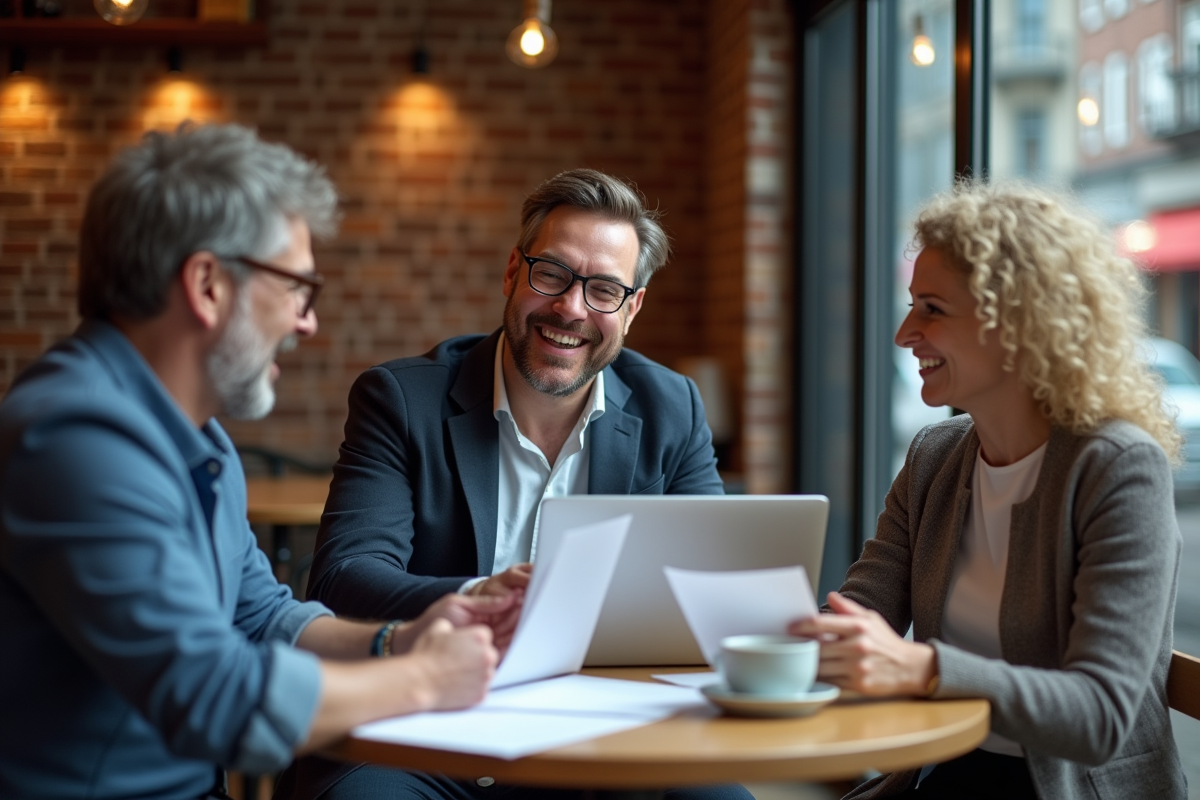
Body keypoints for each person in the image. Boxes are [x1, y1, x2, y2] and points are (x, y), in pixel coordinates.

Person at [0, 123, 519, 800]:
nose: (307, 322)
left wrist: (403, 640)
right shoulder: (73, 438)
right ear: (208, 284)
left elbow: (263, 617)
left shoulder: (198, 437)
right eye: (297, 287)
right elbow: (212, 697)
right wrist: (424, 680)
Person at [281, 169, 736, 799]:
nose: (571, 308)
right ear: (512, 274)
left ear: (631, 310)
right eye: (551, 274)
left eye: (604, 290)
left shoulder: (673, 407)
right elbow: (345, 576)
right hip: (421, 722)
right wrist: (482, 598)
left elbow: (711, 586)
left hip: (601, 726)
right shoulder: (400, 400)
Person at [790, 181, 1188, 799]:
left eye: (931, 308)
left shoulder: (1118, 467)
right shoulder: (935, 456)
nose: (903, 333)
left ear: (1019, 322)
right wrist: (783, 636)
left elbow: (1102, 715)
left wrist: (922, 668)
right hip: (943, 771)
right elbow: (862, 608)